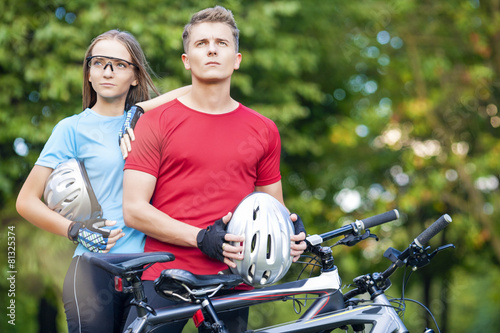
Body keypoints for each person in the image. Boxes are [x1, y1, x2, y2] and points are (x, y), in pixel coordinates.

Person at [122, 6, 307, 332]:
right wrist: (200, 238)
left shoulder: (264, 129)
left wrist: (289, 233)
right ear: (186, 59)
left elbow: (273, 207)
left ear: (236, 58)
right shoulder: (155, 123)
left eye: (221, 43)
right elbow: (134, 210)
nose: (211, 49)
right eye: (201, 43)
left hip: (232, 278)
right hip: (163, 275)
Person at [16, 29, 189, 333]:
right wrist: (74, 230)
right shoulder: (71, 129)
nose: (108, 72)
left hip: (148, 272)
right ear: (89, 72)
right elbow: (26, 200)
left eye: (120, 64)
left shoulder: (149, 126)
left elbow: (196, 89)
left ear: (136, 76)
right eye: (99, 62)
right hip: (92, 271)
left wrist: (137, 111)